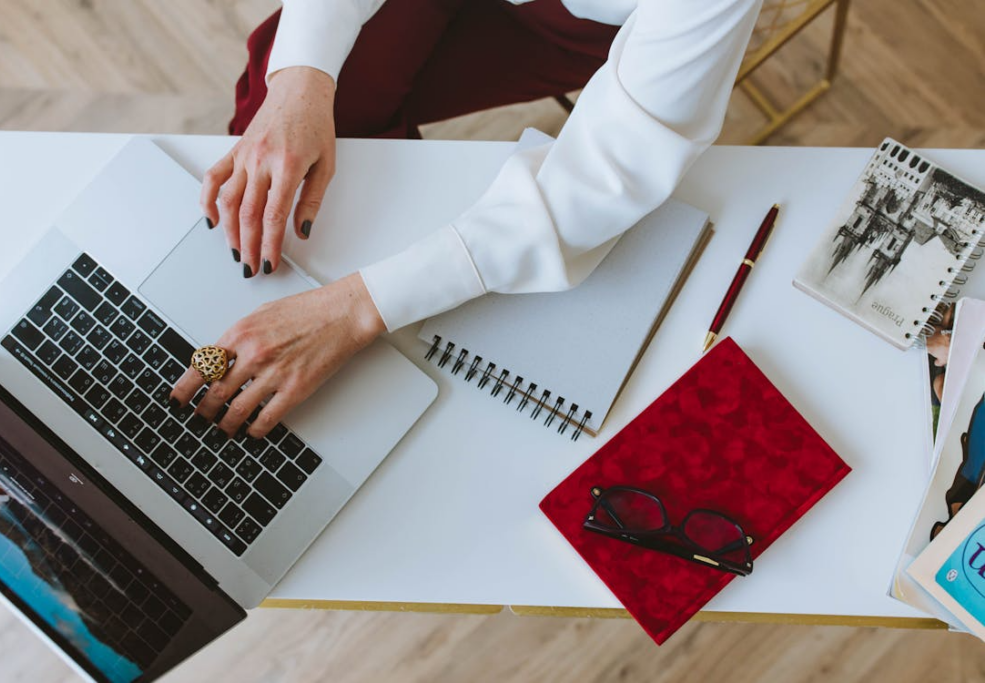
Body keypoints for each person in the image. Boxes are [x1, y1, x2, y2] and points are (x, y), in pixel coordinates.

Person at [170, 0, 763, 439]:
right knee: (280, 125)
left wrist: (356, 308)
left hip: (567, 22)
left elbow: (610, 171)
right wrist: (299, 83)